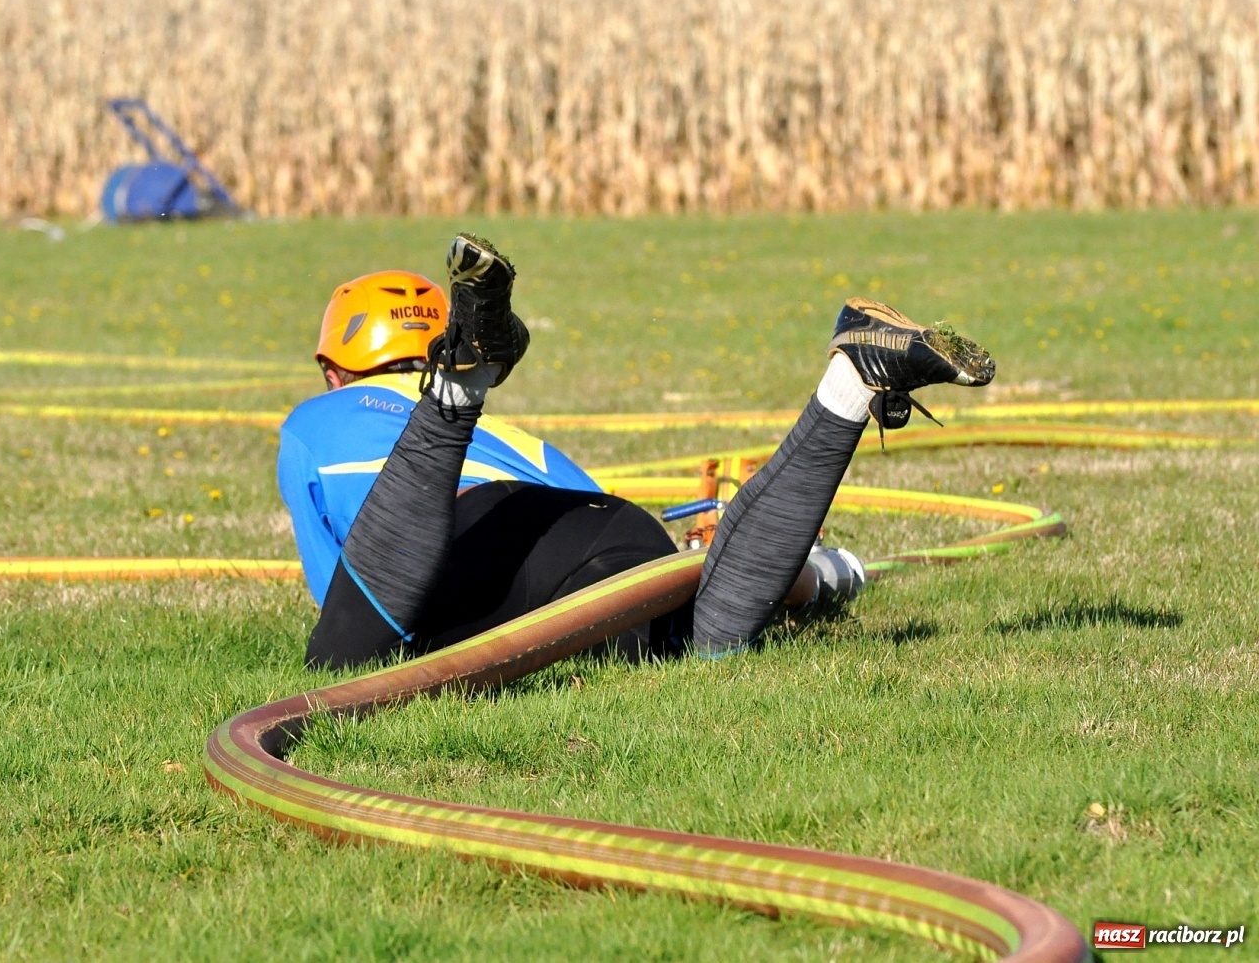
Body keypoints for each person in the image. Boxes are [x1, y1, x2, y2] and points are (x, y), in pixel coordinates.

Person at [277, 235, 995, 669]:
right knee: (692, 641)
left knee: (340, 661)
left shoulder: (319, 420)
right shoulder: (521, 444)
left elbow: (341, 594)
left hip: (462, 534)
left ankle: (458, 393)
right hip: (604, 526)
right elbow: (620, 560)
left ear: (335, 370)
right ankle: (849, 385)